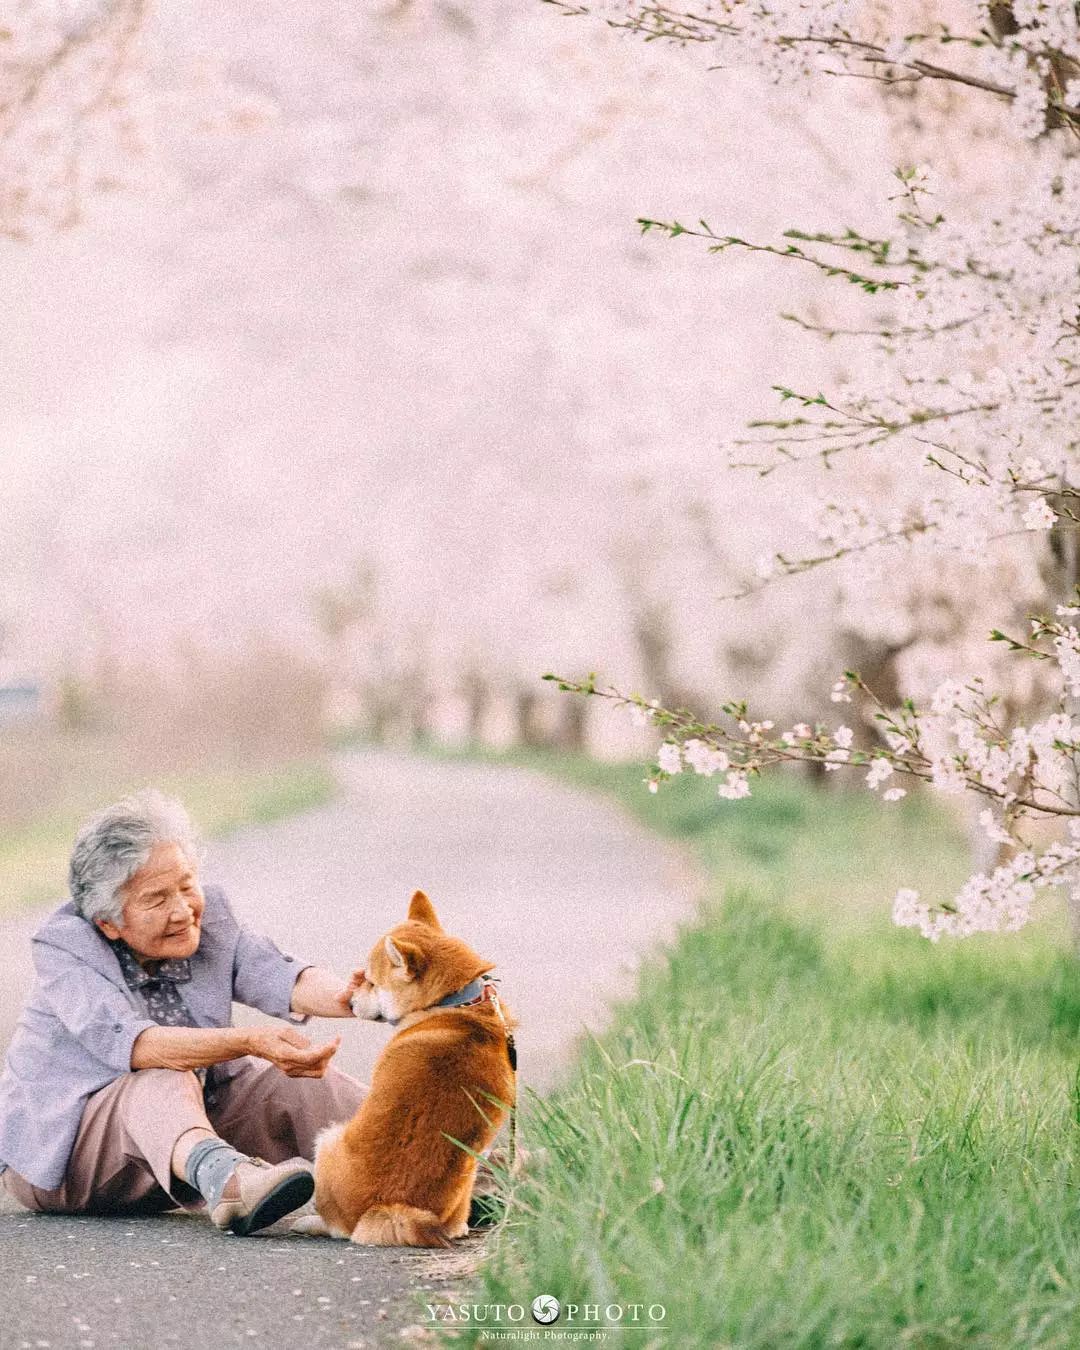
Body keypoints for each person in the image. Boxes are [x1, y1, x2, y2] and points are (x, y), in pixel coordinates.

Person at [0, 789, 366, 1235]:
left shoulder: (208, 921)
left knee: (299, 1084)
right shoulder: (66, 949)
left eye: (187, 886)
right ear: (108, 923)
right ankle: (231, 1185)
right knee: (165, 1073)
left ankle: (449, 1176)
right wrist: (251, 1040)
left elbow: (280, 975)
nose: (182, 911)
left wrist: (361, 996)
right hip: (70, 1163)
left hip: (175, 1146)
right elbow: (141, 1047)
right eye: (156, 900)